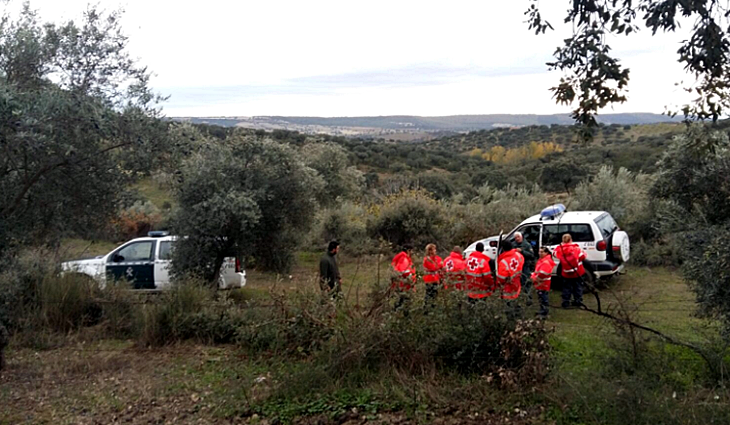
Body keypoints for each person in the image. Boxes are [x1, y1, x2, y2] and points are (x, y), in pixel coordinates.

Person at [554, 234, 588, 308]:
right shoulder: (576, 248)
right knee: (578, 287)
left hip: (565, 272)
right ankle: (578, 301)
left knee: (566, 288)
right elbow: (583, 256)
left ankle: (566, 302)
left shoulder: (559, 249)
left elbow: (554, 254)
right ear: (571, 239)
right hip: (577, 271)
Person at [496, 240, 525, 318]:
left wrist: (498, 284)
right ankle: (519, 315)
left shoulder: (503, 261)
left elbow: (501, 278)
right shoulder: (518, 255)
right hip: (517, 281)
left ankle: (511, 318)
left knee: (508, 304)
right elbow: (522, 262)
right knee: (516, 300)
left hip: (508, 286)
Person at [531, 247, 556, 318]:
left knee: (543, 298)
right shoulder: (542, 260)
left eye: (542, 252)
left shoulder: (546, 262)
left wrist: (535, 278)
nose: (540, 253)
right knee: (541, 297)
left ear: (546, 253)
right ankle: (542, 310)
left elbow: (543, 273)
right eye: (539, 252)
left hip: (543, 283)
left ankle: (544, 312)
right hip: (541, 282)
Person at [391, 244, 416, 311]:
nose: (412, 252)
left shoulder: (404, 258)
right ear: (408, 251)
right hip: (404, 284)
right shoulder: (404, 259)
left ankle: (397, 312)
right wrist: (411, 280)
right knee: (405, 300)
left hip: (403, 284)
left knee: (402, 300)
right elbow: (404, 272)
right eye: (411, 251)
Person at [514, 231, 536, 305]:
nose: (517, 239)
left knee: (526, 283)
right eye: (516, 237)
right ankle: (518, 298)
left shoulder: (526, 245)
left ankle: (528, 299)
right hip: (516, 267)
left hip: (525, 266)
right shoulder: (514, 245)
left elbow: (531, 255)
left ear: (522, 237)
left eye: (518, 237)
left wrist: (522, 251)